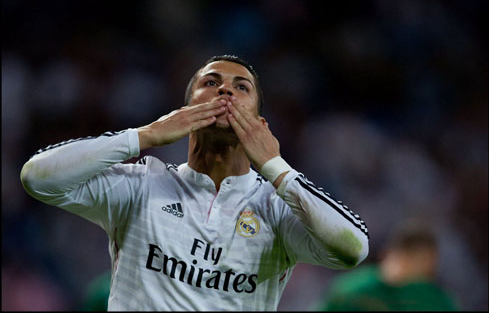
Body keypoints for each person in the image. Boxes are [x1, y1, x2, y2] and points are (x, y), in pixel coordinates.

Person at [20, 55, 369, 311]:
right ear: (185, 112)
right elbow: (38, 177)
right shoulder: (142, 185)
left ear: (261, 123)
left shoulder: (276, 209)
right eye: (211, 82)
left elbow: (353, 247)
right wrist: (144, 136)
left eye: (241, 87)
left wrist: (276, 167)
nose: (225, 92)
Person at [313, 219, 458, 311]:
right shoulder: (353, 290)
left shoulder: (434, 300)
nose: (431, 270)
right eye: (426, 262)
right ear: (406, 256)